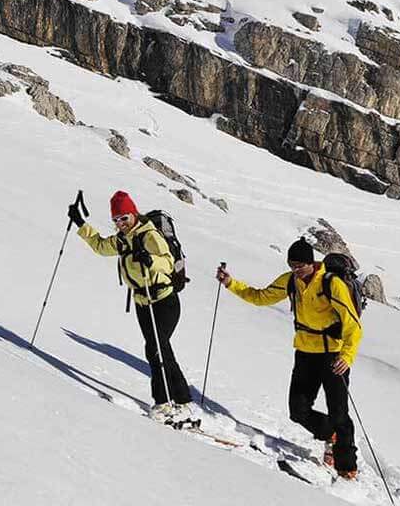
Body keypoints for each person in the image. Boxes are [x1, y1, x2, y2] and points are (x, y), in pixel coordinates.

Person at [215, 237, 362, 479]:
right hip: (305, 352)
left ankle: (347, 466)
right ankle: (329, 434)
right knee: (298, 410)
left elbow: (353, 325)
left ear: (311, 263)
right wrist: (231, 283)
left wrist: (347, 355)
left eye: (300, 265)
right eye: (292, 265)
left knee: (339, 413)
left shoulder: (331, 283)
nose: (296, 270)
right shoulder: (290, 281)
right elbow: (261, 296)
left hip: (333, 354)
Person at [68, 191, 193, 420]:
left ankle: (168, 401)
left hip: (164, 300)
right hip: (142, 302)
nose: (121, 224)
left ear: (133, 213)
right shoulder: (122, 239)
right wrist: (80, 223)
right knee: (157, 348)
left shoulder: (149, 235)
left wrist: (150, 260)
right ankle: (178, 399)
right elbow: (100, 247)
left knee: (157, 347)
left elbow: (167, 263)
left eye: (124, 218)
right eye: (116, 220)